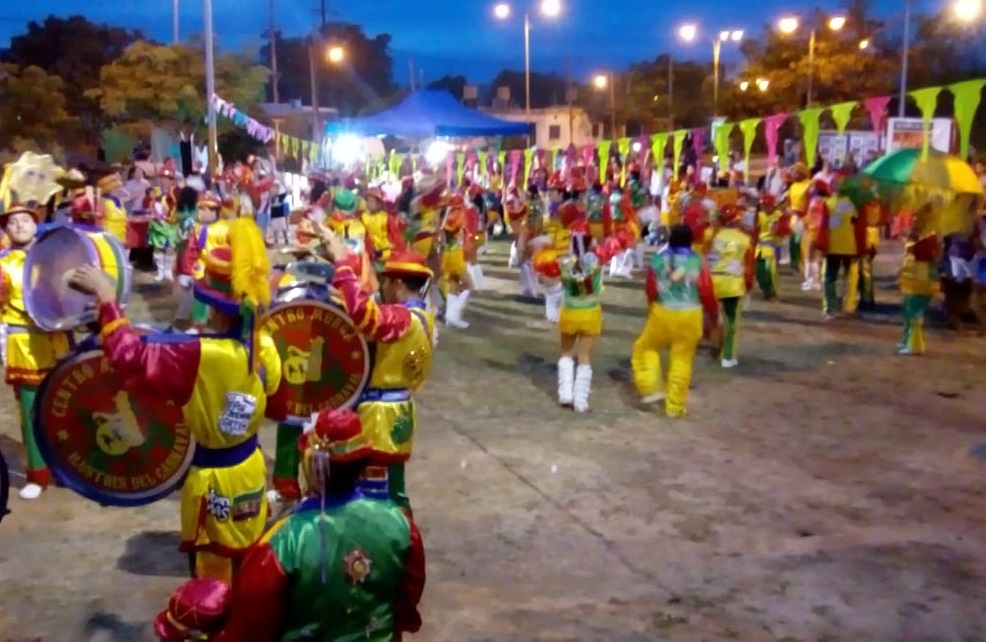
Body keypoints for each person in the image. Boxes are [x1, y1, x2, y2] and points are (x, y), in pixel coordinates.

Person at [69, 217, 285, 584]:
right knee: (247, 560)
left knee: (213, 575)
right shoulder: (262, 344)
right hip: (250, 468)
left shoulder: (199, 354)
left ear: (215, 309)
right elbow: (278, 406)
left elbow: (129, 359)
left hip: (213, 480)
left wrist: (108, 300)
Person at [153, 408, 426, 642]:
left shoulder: (283, 543)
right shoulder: (399, 524)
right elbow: (406, 600)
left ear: (312, 465)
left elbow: (252, 629)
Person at [316, 228, 435, 512]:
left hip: (380, 415)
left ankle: (387, 544)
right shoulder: (424, 316)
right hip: (399, 407)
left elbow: (363, 314)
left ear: (396, 284)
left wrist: (342, 262)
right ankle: (402, 540)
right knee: (393, 487)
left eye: (385, 282)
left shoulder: (402, 318)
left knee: (375, 493)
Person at [0, 153, 73, 500]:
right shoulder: (2, 265)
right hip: (23, 347)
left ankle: (67, 467)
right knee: (30, 413)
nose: (19, 227)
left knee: (63, 405)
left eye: (24, 222)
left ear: (35, 222)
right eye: (11, 223)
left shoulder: (50, 256)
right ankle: (38, 472)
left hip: (55, 340)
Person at [631, 224, 719, 417]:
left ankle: (651, 387)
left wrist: (652, 306)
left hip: (663, 311)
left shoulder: (659, 258)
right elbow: (706, 291)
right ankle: (675, 406)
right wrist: (712, 316)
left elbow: (651, 288)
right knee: (682, 358)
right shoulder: (698, 261)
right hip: (690, 314)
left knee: (645, 348)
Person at [707, 205, 755, 368]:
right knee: (732, 321)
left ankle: (715, 343)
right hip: (733, 283)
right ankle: (727, 357)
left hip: (711, 282)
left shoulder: (710, 235)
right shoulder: (745, 239)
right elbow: (749, 267)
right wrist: (748, 286)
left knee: (712, 318)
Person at [816, 183, 867, 320]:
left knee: (834, 279)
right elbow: (860, 227)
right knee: (843, 279)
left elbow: (822, 226)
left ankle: (835, 308)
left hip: (842, 248)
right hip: (843, 248)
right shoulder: (853, 204)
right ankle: (842, 307)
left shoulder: (831, 203)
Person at [898, 222, 940, 355]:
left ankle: (915, 346)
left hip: (921, 281)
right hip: (911, 280)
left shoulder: (928, 237)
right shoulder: (918, 235)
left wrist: (912, 243)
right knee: (907, 309)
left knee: (914, 312)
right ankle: (908, 340)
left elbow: (926, 253)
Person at [754, 195, 790, 301]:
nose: (764, 207)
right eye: (762, 205)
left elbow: (785, 231)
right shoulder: (759, 215)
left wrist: (778, 230)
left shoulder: (779, 216)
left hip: (772, 248)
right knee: (759, 270)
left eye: (766, 205)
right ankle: (766, 290)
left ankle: (775, 293)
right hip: (759, 248)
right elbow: (754, 230)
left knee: (771, 271)